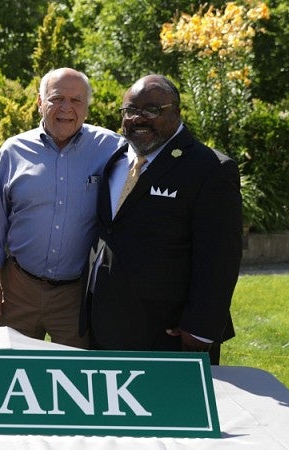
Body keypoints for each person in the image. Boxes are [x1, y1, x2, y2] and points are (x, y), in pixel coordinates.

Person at [82, 74, 243, 364]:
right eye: (130, 110)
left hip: (169, 333)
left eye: (152, 110)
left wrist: (201, 329)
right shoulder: (115, 161)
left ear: (176, 111)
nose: (139, 118)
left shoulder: (210, 170)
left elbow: (219, 259)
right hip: (106, 324)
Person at [0, 67, 122, 349]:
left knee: (71, 379)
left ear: (87, 107)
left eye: (76, 100)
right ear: (39, 102)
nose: (66, 108)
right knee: (12, 373)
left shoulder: (112, 149)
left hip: (76, 295)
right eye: (56, 99)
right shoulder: (13, 151)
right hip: (19, 288)